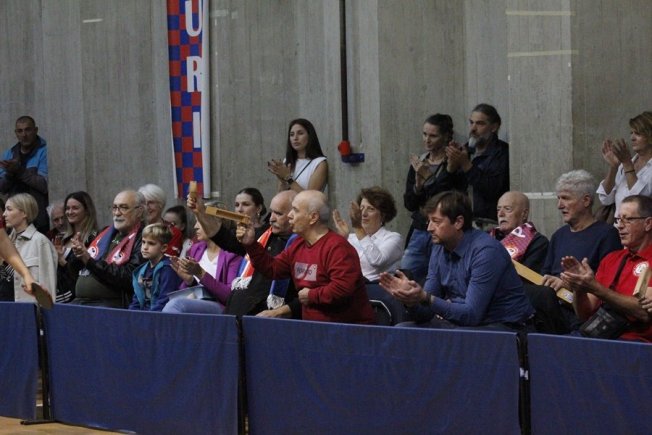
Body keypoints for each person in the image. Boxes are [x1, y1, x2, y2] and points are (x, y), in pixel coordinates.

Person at [379, 191, 534, 330]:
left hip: (504, 326)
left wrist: (426, 298)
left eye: (436, 221)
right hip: (465, 324)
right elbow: (425, 313)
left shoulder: (486, 251)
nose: (429, 228)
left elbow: (471, 315)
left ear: (458, 222)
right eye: (429, 221)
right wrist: (411, 300)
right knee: (403, 329)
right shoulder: (438, 247)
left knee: (456, 338)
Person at [236, 190, 375, 324]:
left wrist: (311, 295)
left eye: (295, 210)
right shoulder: (298, 244)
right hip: (312, 328)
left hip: (346, 330)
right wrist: (251, 245)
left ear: (313, 217)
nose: (290, 215)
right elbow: (273, 269)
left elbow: (343, 288)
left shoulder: (338, 247)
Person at [527, 170, 622, 334]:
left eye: (565, 198)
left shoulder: (607, 235)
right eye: (558, 198)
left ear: (586, 200)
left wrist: (568, 284)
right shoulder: (558, 235)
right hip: (548, 309)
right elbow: (545, 275)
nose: (559, 205)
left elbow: (607, 285)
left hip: (580, 316)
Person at [188, 190, 300, 317]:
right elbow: (224, 239)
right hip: (235, 315)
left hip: (267, 320)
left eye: (278, 213)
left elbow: (307, 295)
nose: (271, 219)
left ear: (294, 215)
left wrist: (279, 312)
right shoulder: (263, 234)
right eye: (271, 212)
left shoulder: (301, 245)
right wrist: (200, 212)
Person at [561, 195, 652, 342]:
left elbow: (643, 312)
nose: (620, 226)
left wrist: (596, 288)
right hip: (599, 336)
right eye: (618, 220)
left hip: (634, 342)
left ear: (647, 223)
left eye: (628, 219)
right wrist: (579, 287)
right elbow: (584, 314)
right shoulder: (611, 259)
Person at [401, 114, 467, 283]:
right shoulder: (420, 163)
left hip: (445, 228)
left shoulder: (453, 164)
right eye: (424, 134)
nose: (427, 140)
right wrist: (417, 187)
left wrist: (435, 176)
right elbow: (409, 203)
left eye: (433, 136)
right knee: (406, 275)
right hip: (420, 228)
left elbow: (448, 197)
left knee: (441, 278)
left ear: (445, 136)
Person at [69, 189, 146, 308]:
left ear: (139, 211)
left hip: (110, 305)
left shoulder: (143, 238)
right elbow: (74, 270)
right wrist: (77, 254)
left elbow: (129, 277)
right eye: (114, 208)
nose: (117, 213)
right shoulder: (102, 233)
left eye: (124, 208)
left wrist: (89, 260)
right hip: (80, 301)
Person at [446, 104, 509, 227]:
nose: (473, 129)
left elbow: (493, 189)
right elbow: (447, 190)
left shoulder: (502, 153)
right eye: (471, 123)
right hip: (462, 223)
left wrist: (466, 165)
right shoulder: (464, 150)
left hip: (489, 223)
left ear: (494, 127)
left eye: (480, 124)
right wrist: (450, 168)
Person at [162, 220, 241, 314]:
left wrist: (200, 273)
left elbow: (229, 297)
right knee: (171, 303)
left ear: (217, 224)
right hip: (196, 301)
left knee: (176, 305)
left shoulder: (232, 254)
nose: (195, 226)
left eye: (200, 221)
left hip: (220, 306)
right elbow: (187, 293)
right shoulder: (196, 248)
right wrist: (189, 281)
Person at [332, 186, 403, 282]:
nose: (363, 213)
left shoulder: (393, 238)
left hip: (376, 288)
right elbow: (334, 265)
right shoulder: (350, 237)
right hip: (349, 286)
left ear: (383, 215)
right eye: (361, 208)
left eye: (371, 209)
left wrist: (358, 228)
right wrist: (342, 239)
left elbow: (377, 261)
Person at [2, 193, 57, 303]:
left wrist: (47, 308)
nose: (4, 214)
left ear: (24, 213)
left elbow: (48, 283)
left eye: (9, 209)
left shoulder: (40, 241)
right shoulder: (5, 242)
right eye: (5, 209)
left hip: (27, 308)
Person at [596, 111, 652, 217]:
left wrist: (627, 164)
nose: (632, 138)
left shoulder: (628, 163)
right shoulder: (626, 163)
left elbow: (640, 202)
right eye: (631, 133)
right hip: (619, 224)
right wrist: (614, 167)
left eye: (638, 133)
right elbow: (605, 199)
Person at [0, 116, 49, 233]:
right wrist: (10, 174)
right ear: (16, 133)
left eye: (28, 130)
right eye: (20, 131)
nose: (24, 135)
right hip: (15, 219)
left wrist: (19, 171)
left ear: (35, 130)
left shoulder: (45, 151)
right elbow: (1, 188)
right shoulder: (9, 154)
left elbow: (44, 185)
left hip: (38, 218)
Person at [489, 191, 549, 273]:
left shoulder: (538, 242)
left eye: (507, 209)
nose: (500, 214)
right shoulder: (488, 236)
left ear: (524, 214)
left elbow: (528, 276)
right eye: (498, 210)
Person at [55, 191, 99, 303]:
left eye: (75, 208)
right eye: (67, 208)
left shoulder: (94, 238)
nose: (70, 212)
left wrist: (62, 261)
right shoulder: (63, 238)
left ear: (87, 210)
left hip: (81, 300)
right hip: (60, 297)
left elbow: (85, 273)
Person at [129, 223, 182, 311]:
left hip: (159, 315)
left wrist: (148, 316)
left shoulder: (168, 268)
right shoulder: (141, 270)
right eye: (143, 242)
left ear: (164, 248)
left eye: (151, 243)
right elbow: (137, 300)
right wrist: (130, 315)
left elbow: (164, 300)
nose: (145, 247)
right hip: (143, 315)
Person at [267, 118, 328, 193]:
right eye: (292, 135)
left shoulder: (319, 163)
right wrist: (282, 181)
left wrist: (288, 178)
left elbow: (309, 197)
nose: (295, 138)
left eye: (300, 133)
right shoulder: (287, 160)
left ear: (310, 136)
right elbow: (280, 195)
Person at [138, 184, 183, 256]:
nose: (147, 207)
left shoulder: (173, 232)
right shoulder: (135, 229)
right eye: (143, 204)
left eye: (151, 202)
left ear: (161, 204)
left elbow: (169, 259)